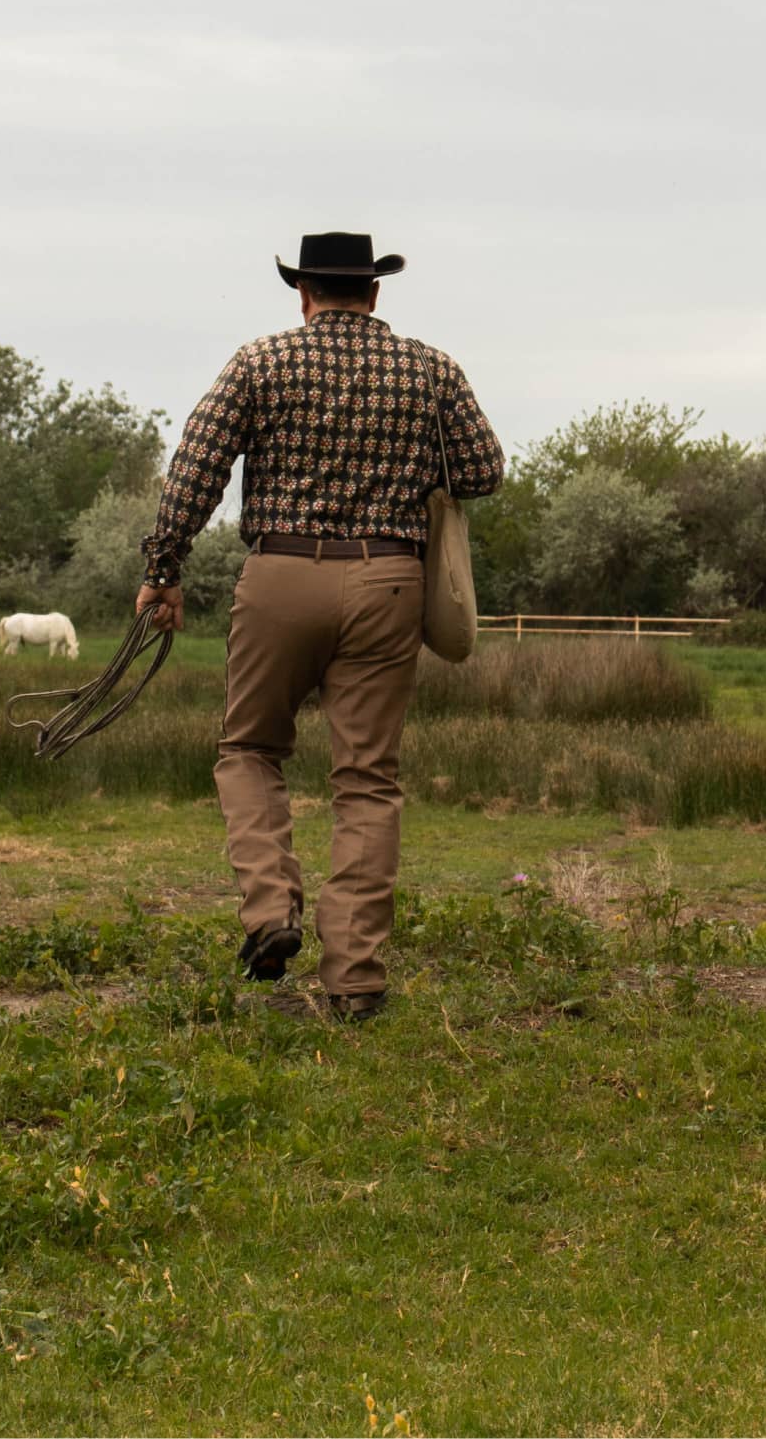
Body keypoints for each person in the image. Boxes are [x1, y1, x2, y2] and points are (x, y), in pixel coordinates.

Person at [136, 233, 505, 1020]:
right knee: (367, 781)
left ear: (303, 293)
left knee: (249, 748)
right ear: (374, 294)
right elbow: (483, 471)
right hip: (388, 578)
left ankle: (271, 911)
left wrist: (163, 570)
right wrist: (404, 459)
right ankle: (357, 982)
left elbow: (196, 467)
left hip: (280, 575)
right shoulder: (431, 369)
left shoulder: (260, 361)